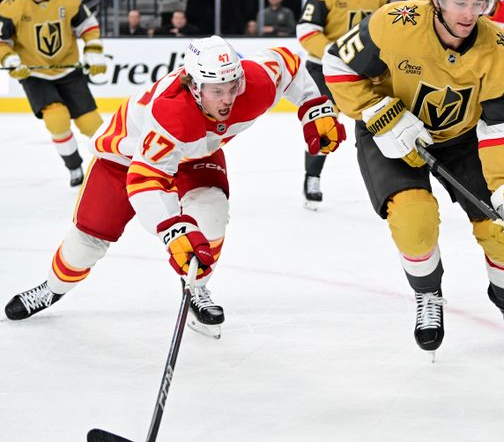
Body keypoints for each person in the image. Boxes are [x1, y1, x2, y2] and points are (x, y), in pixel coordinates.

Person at [4, 36, 346, 339]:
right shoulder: (171, 113)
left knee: (211, 210)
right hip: (124, 160)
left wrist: (313, 107)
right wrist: (172, 230)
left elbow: (289, 64)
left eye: (232, 85)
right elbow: (147, 179)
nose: (228, 99)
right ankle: (52, 288)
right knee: (88, 241)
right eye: (216, 90)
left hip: (194, 154)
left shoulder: (252, 81)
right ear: (193, 86)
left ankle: (196, 289)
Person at [322, 0, 504, 354]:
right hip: (391, 132)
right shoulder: (393, 22)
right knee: (413, 217)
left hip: (463, 139)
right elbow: (338, 66)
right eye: (460, 1)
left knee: (501, 227)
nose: (469, 13)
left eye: (479, 2)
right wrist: (379, 112)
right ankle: (428, 295)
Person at [296, 0, 388, 209]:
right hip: (325, 69)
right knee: (325, 124)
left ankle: (388, 181)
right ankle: (312, 177)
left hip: (366, 68)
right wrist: (336, 56)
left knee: (378, 119)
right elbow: (306, 31)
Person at [0, 0, 107, 187]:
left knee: (92, 123)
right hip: (34, 74)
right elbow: (1, 41)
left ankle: (117, 162)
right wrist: (9, 61)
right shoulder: (11, 5)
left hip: (68, 69)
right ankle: (74, 166)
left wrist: (93, 52)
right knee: (57, 119)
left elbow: (87, 26)